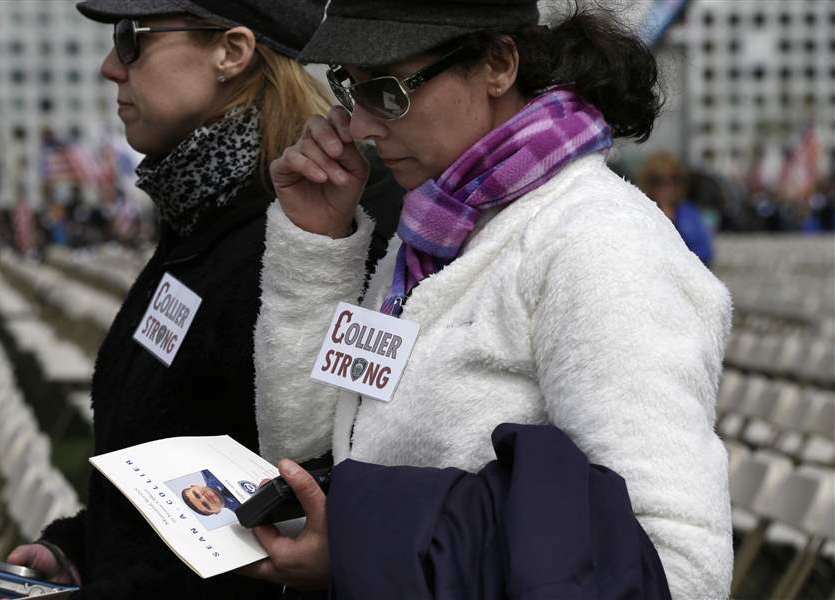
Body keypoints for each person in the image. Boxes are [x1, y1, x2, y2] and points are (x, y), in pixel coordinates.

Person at [249, 1, 733, 598]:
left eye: (389, 93)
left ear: (499, 64)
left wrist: (359, 551)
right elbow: (307, 460)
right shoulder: (436, 235)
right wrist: (317, 246)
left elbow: (676, 565)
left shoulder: (599, 244)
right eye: (350, 89)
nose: (358, 128)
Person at [4, 1, 403, 598]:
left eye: (131, 38)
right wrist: (83, 551)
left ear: (232, 52)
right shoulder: (200, 213)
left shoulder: (332, 233)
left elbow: (301, 497)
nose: (112, 67)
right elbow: (191, 463)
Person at [638, 151, 715, 266]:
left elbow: (705, 252)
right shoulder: (638, 212)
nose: (666, 185)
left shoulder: (690, 212)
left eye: (673, 178)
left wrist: (674, 224)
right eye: (657, 180)